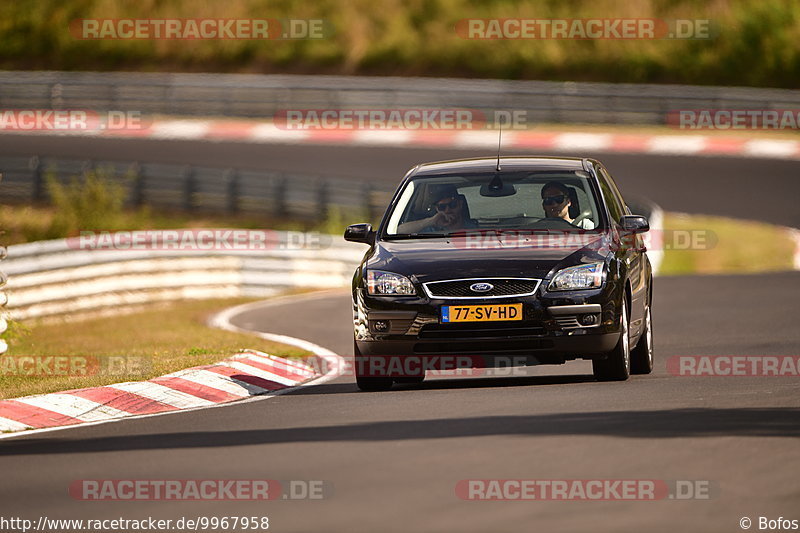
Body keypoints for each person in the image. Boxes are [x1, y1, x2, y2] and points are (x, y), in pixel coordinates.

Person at [398, 185, 477, 233]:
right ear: (436, 208)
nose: (447, 210)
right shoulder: (430, 230)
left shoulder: (475, 229)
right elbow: (398, 231)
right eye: (442, 207)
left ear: (460, 204)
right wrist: (430, 221)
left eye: (452, 205)